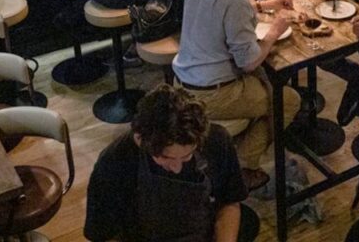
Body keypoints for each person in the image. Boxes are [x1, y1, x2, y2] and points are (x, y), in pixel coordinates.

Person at [172, 0, 300, 189]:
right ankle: (244, 165)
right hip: (212, 93)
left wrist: (267, 5)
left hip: (182, 80)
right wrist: (275, 30)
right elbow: (248, 61)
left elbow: (224, 9)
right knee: (287, 99)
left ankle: (234, 150)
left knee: (265, 84)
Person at [84, 84, 258, 242]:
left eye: (186, 156)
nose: (177, 168)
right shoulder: (114, 161)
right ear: (139, 138)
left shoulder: (217, 140)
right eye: (166, 158)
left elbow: (229, 201)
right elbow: (103, 234)